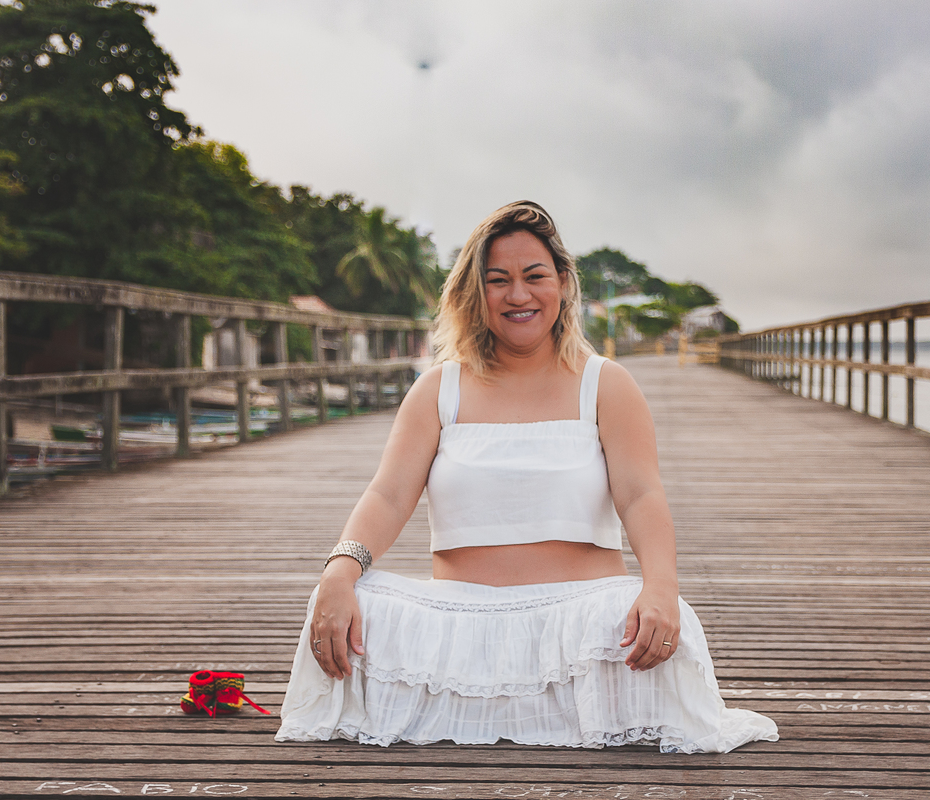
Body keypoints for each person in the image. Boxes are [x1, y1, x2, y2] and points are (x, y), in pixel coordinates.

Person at [276, 201, 779, 752]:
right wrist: (339, 572)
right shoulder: (438, 389)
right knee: (346, 598)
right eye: (498, 281)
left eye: (534, 276)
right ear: (476, 292)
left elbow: (641, 496)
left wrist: (661, 586)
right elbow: (388, 495)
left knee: (661, 616)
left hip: (584, 628)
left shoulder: (606, 384)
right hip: (464, 630)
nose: (518, 295)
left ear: (562, 283)